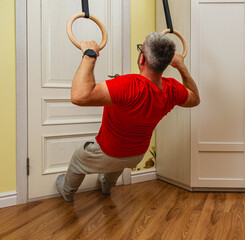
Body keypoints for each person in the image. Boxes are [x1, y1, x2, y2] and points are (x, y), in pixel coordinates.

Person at [56, 32, 200, 201]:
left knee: (79, 158)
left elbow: (79, 96)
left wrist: (90, 54)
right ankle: (106, 186)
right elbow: (195, 99)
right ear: (167, 63)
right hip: (136, 156)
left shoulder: (128, 85)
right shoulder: (172, 89)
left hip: (108, 152)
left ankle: (67, 191)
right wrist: (181, 66)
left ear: (142, 59)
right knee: (118, 161)